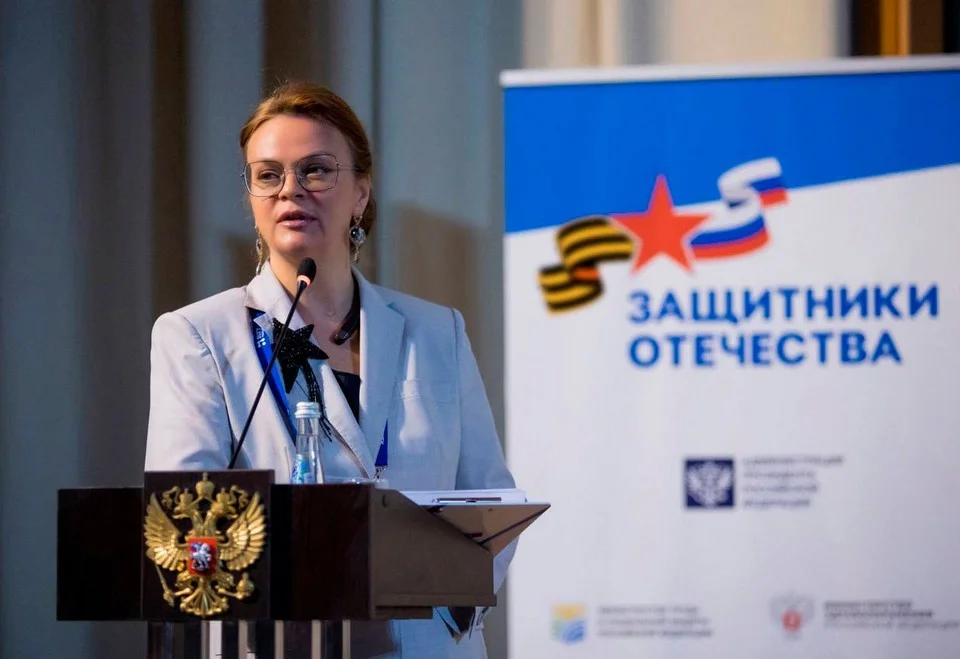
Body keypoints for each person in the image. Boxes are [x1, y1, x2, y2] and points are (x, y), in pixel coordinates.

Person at [144, 81, 516, 659]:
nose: (290, 190)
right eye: (268, 175)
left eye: (315, 170)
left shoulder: (435, 330)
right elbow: (185, 521)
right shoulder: (199, 335)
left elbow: (490, 499)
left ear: (361, 194)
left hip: (425, 641)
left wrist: (441, 605)